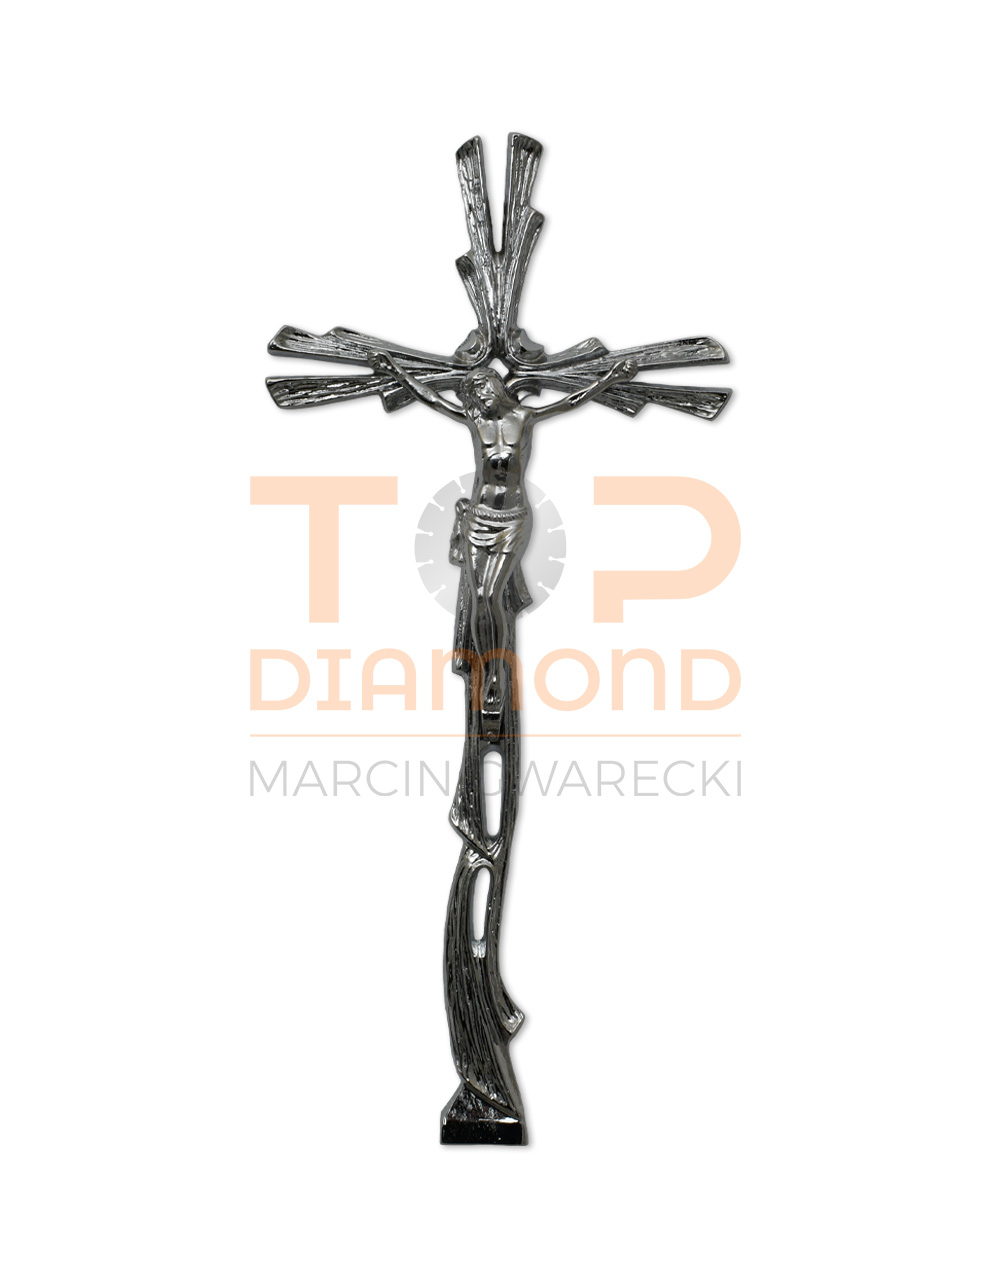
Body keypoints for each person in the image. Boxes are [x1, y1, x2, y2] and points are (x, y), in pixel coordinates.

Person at [370, 352, 638, 732]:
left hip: (512, 521)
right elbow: (431, 399)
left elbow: (572, 401)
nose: (479, 396)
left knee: (493, 595)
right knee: (480, 597)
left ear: (495, 386)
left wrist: (611, 378)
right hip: (478, 519)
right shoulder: (475, 421)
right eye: (474, 392)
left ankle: (496, 675)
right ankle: (487, 671)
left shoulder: (523, 418)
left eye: (483, 388)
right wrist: (395, 372)